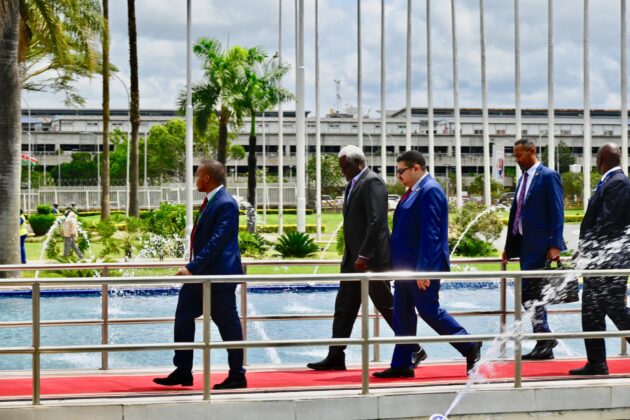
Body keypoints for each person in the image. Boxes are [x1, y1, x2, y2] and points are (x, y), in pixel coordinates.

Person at [307, 145, 427, 371]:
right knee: (344, 306)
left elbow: (376, 221)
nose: (343, 171)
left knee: (387, 306)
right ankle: (336, 354)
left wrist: (364, 254)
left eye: (346, 166)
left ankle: (414, 348)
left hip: (371, 261)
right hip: (353, 260)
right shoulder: (353, 184)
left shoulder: (373, 182)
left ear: (358, 163)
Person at [373, 151, 481, 378]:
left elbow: (430, 234)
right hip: (406, 268)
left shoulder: (430, 190)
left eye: (401, 170)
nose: (398, 175)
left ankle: (469, 344)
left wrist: (425, 269)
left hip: (421, 268)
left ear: (416, 168)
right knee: (402, 314)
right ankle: (402, 363)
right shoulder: (412, 192)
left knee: (428, 310)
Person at [154, 159, 246, 389]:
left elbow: (217, 242)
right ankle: (183, 370)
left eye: (197, 175)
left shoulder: (225, 203)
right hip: (202, 277)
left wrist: (191, 267)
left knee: (228, 325)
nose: (195, 179)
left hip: (219, 278)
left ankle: (237, 374)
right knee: (184, 316)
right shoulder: (212, 201)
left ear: (206, 178)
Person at [569, 143, 630, 376]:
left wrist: (588, 251)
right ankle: (597, 362)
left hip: (610, 263)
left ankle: (597, 362)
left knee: (616, 309)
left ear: (601, 159)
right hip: (598, 262)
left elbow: (607, 224)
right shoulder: (610, 182)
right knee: (591, 312)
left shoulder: (618, 183)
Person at [503, 138, 565, 360]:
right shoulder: (523, 179)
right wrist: (508, 248)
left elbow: (557, 211)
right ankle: (544, 339)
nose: (517, 160)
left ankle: (545, 340)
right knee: (531, 295)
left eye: (520, 155)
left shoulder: (548, 176)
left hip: (541, 247)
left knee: (530, 294)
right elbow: (516, 214)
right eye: (515, 156)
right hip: (525, 246)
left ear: (532, 151)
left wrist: (555, 245)